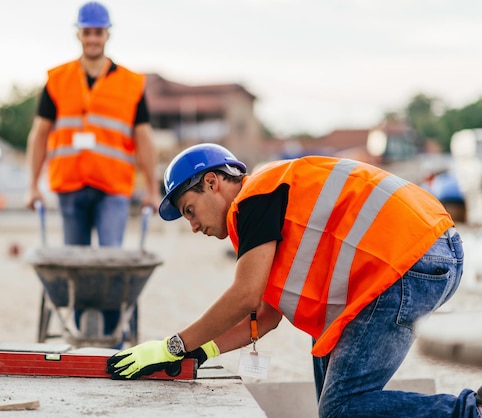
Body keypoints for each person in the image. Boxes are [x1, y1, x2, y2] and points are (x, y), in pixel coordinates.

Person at [106, 143, 482, 417]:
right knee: (334, 407)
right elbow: (265, 315)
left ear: (212, 182)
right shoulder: (267, 209)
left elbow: (245, 296)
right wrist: (200, 351)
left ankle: (472, 411)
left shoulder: (256, 196)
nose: (193, 226)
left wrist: (174, 345)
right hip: (416, 257)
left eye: (190, 211)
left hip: (408, 261)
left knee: (343, 408)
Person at [25, 1, 160, 337]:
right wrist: (32, 185)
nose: (93, 38)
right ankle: (82, 335)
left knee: (112, 264)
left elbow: (144, 139)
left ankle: (112, 336)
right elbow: (39, 134)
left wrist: (153, 190)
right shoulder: (58, 81)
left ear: (107, 34)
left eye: (98, 32)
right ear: (79, 34)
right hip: (70, 186)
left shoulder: (131, 84)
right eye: (87, 32)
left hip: (113, 188)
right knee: (76, 267)